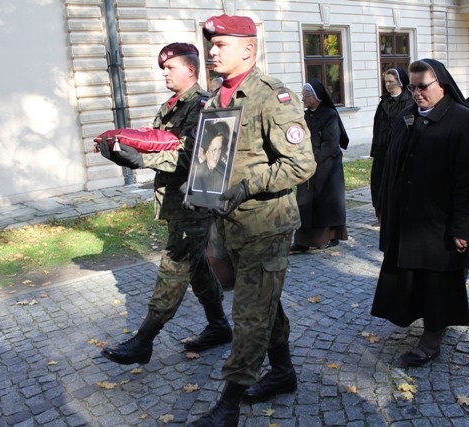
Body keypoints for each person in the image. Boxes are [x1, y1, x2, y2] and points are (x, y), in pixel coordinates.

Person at [187, 14, 316, 426]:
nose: (211, 51)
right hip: (228, 224)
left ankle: (228, 404)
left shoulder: (272, 97)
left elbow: (302, 163)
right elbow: (209, 160)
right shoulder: (214, 100)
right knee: (264, 302)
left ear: (247, 48)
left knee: (249, 314)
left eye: (220, 44)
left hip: (265, 224)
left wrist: (248, 186)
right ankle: (282, 372)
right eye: (211, 43)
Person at [97, 43, 233, 366]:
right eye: (164, 69)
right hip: (177, 200)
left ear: (190, 70)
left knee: (174, 267)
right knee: (197, 266)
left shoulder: (201, 106)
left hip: (195, 201)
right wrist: (125, 154)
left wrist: (142, 159)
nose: (165, 74)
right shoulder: (170, 107)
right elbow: (156, 143)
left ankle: (144, 340)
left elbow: (190, 156)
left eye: (170, 68)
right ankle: (218, 326)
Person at [370, 59, 469, 367]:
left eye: (423, 86)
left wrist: (464, 228)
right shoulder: (407, 116)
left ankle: (432, 338)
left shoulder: (464, 121)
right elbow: (390, 165)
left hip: (440, 220)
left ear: (443, 84)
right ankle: (421, 321)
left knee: (438, 280)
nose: (417, 93)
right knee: (412, 275)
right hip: (409, 218)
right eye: (413, 87)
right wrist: (384, 206)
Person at [289, 79, 348, 252]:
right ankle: (302, 240)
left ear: (317, 97)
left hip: (326, 166)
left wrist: (311, 161)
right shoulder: (306, 115)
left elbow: (330, 144)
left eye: (307, 95)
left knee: (324, 204)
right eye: (303, 95)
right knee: (304, 203)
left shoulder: (330, 114)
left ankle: (327, 238)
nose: (303, 98)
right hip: (308, 165)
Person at [370, 68, 414, 224]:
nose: (387, 85)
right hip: (382, 150)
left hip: (399, 151)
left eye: (390, 81)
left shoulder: (409, 102)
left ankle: (396, 214)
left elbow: (409, 128)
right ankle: (381, 213)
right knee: (378, 182)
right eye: (386, 82)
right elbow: (378, 125)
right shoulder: (384, 101)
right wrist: (375, 147)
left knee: (396, 183)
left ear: (400, 82)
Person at [191, 121, 229, 194]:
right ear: (206, 149)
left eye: (219, 150)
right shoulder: (196, 170)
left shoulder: (225, 172)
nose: (216, 156)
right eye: (213, 150)